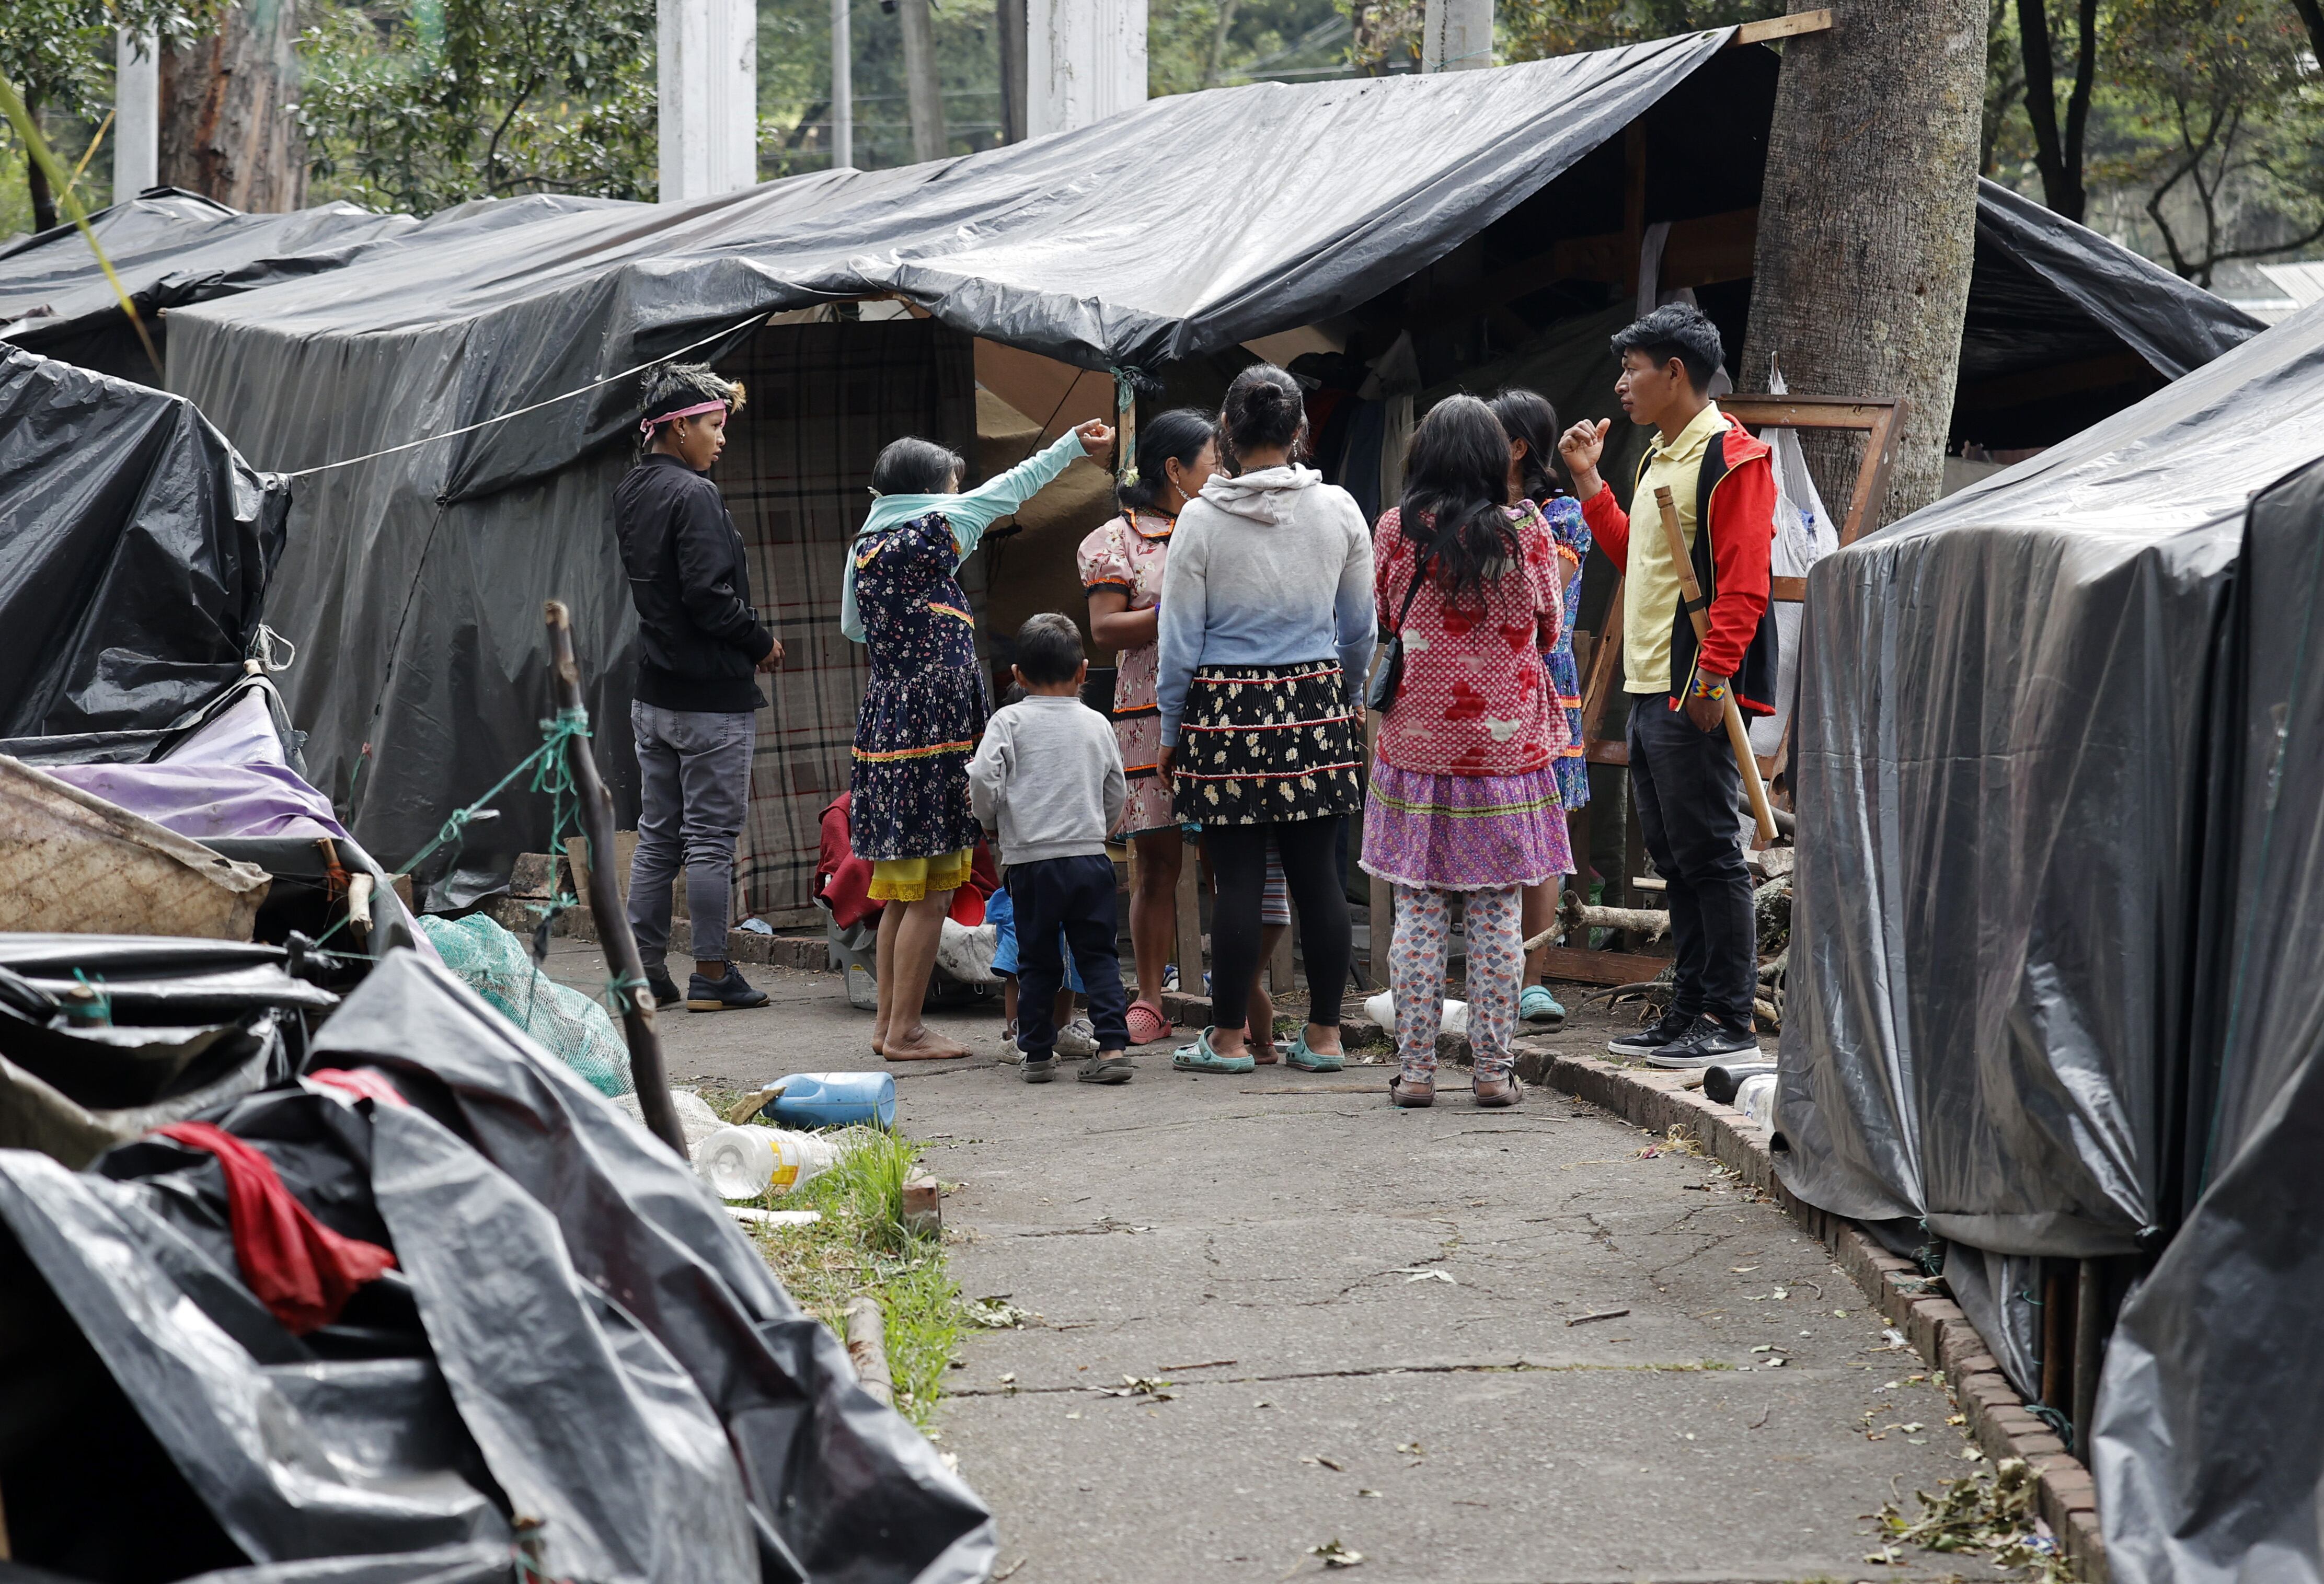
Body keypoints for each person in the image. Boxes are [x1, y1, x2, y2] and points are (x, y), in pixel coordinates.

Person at [846, 416, 1115, 1061]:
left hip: (888, 727)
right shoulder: (938, 526)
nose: (960, 494)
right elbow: (1013, 486)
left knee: (901, 890)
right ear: (929, 490)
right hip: (932, 736)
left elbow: (856, 630)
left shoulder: (867, 546)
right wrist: (1071, 447)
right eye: (951, 484)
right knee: (932, 891)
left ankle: (888, 1026)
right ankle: (907, 1031)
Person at [1559, 302, 1777, 1070]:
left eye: (1632, 369)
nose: (1622, 384)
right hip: (1650, 687)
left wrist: (1712, 680)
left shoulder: (1734, 458)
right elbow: (1638, 555)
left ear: (1674, 372)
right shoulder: (1658, 455)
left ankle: (1728, 1017)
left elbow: (1745, 586)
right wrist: (1589, 480)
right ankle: (1688, 1009)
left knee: (1711, 856)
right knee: (1677, 859)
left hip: (1693, 691)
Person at [1156, 363, 1372, 1077]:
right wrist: (1343, 694)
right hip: (1316, 704)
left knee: (1238, 880)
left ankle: (1225, 1040)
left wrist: (1171, 729)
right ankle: (1326, 1036)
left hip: (1223, 714)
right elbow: (1359, 629)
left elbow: (1178, 641)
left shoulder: (1198, 518)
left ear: (1226, 429)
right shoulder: (1338, 508)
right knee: (1318, 878)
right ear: (1300, 429)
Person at [1362, 395, 1572, 1108]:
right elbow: (1549, 629)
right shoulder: (1529, 532)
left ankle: (1416, 1072)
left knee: (1418, 914)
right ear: (1492, 458)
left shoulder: (1395, 529)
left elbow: (1385, 616)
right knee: (1495, 917)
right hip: (1505, 758)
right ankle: (1492, 1071)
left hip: (1415, 755)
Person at [615, 364, 778, 1015]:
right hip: (711, 699)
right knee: (710, 840)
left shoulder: (632, 488)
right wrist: (759, 640)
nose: (721, 439)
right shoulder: (695, 494)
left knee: (658, 835)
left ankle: (644, 972)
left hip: (654, 693)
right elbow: (710, 597)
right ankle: (711, 971)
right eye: (713, 425)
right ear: (679, 427)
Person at [1079, 408, 1221, 1048]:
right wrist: (1176, 608)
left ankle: (1233, 995)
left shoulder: (1220, 524)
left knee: (1227, 860)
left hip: (1221, 711)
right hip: (1147, 714)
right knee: (1156, 864)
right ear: (1175, 469)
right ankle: (1150, 998)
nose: (1221, 470)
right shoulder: (1116, 539)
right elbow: (1105, 629)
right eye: (1212, 460)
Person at [969, 614, 1133, 1084]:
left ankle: (1037, 1052)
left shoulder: (1008, 721)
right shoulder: (1096, 722)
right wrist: (1100, 828)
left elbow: (982, 778)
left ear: (1018, 675)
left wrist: (990, 819)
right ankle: (1113, 1048)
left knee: (1036, 959)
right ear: (1083, 671)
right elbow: (1116, 788)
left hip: (1032, 863)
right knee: (1098, 956)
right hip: (1089, 860)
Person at [1489, 387, 1590, 1032]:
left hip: (1541, 688)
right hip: (1479, 690)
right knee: (1491, 826)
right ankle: (1492, 972)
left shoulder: (1562, 515)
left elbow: (1538, 597)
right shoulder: (1473, 509)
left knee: (1543, 836)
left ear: (1518, 446)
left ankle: (1532, 981)